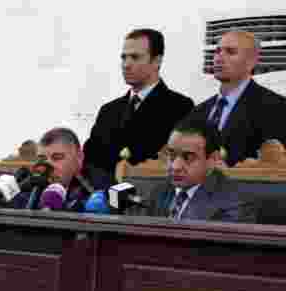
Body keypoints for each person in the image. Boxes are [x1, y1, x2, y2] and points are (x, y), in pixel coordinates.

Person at [83, 29, 194, 174]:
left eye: (135, 57)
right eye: (124, 57)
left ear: (156, 61)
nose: (126, 64)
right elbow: (90, 160)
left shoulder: (180, 107)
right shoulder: (108, 111)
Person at [187, 30, 286, 166]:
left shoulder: (277, 108)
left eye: (230, 52)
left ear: (252, 61)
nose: (219, 58)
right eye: (217, 51)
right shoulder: (197, 111)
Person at [144, 119, 256, 222]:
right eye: (171, 155)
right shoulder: (158, 193)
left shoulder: (235, 204)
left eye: (188, 157)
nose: (175, 166)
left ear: (213, 159)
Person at [10, 128, 113, 211]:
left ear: (79, 158)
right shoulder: (30, 184)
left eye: (57, 158)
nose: (48, 166)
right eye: (42, 159)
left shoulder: (99, 186)